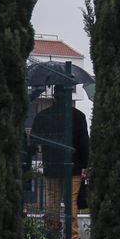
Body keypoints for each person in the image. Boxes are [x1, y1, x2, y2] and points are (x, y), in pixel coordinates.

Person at [30, 87, 90, 229]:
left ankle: (52, 230)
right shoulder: (78, 116)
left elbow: (34, 140)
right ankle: (73, 235)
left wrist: (39, 149)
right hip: (73, 165)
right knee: (71, 202)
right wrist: (84, 165)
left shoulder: (43, 115)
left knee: (52, 200)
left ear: (54, 97)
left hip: (51, 164)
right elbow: (84, 143)